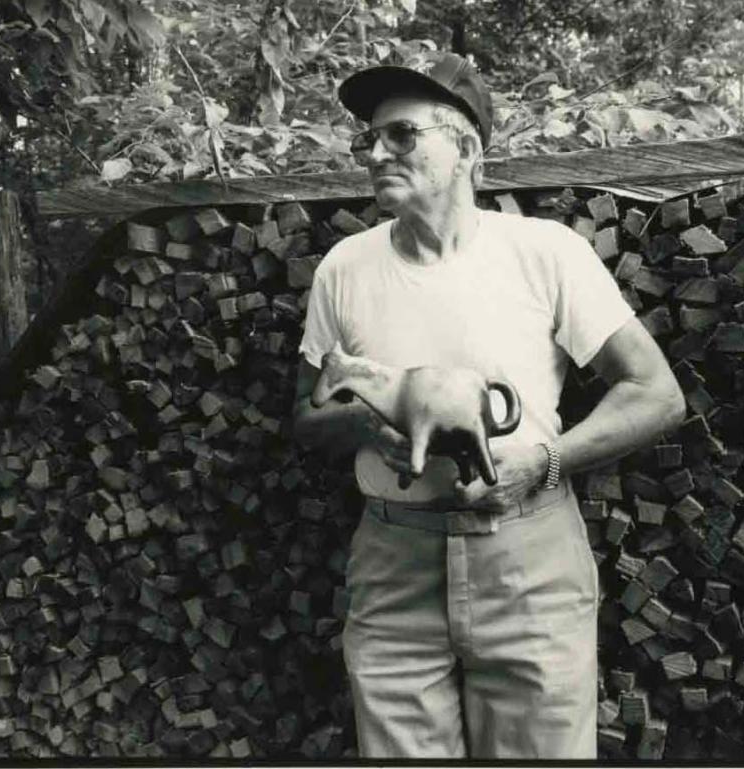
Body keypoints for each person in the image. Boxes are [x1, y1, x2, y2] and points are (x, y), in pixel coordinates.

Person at [292, 53, 686, 759]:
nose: (376, 152)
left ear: (467, 147)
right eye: (368, 139)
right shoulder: (343, 269)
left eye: (402, 135)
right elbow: (305, 416)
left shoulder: (545, 254)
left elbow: (656, 394)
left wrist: (545, 462)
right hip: (393, 561)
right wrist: (367, 424)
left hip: (527, 556)